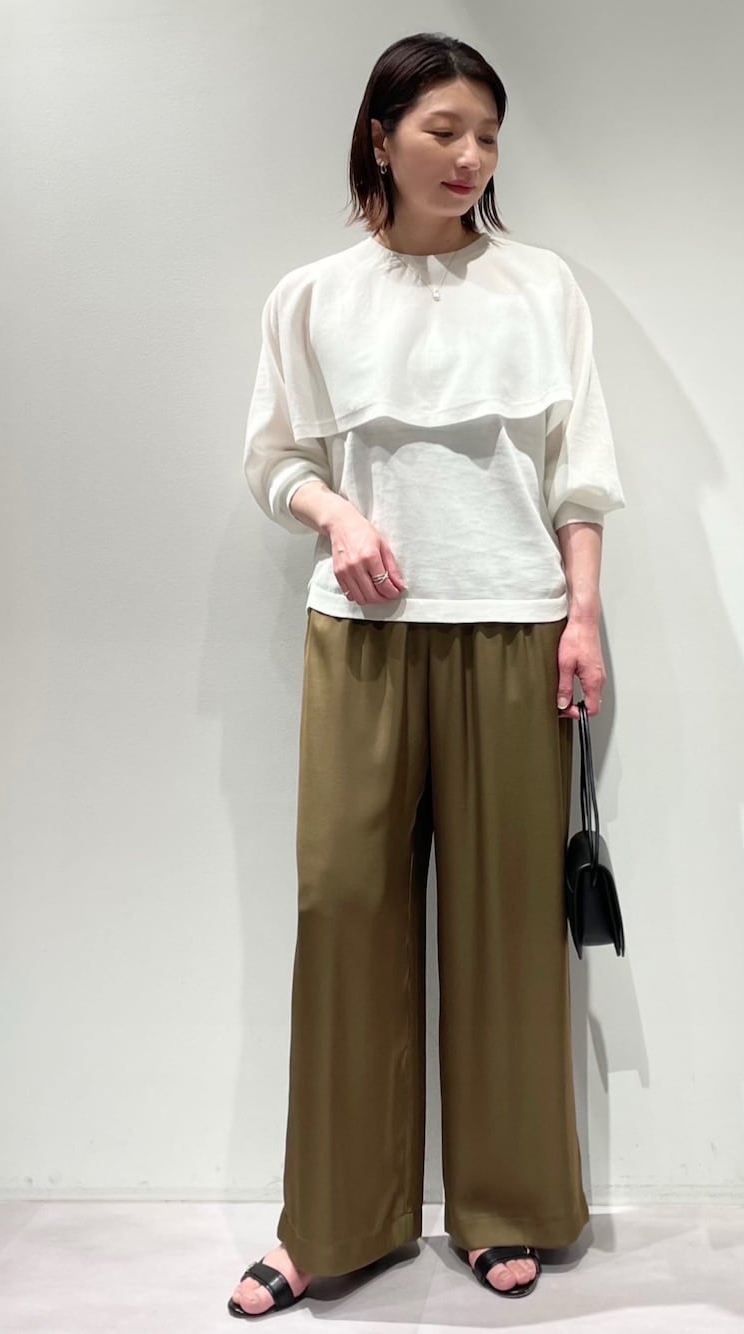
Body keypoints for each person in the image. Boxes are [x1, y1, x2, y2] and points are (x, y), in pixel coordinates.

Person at [228, 30, 625, 1321]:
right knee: (344, 909)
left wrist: (583, 615)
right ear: (382, 135)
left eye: (488, 135)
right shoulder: (312, 296)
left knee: (508, 928)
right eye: (445, 130)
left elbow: (577, 469)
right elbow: (275, 457)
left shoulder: (542, 286)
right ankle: (333, 1221)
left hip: (514, 626)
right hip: (361, 632)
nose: (470, 157)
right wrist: (337, 515)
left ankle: (507, 1205)